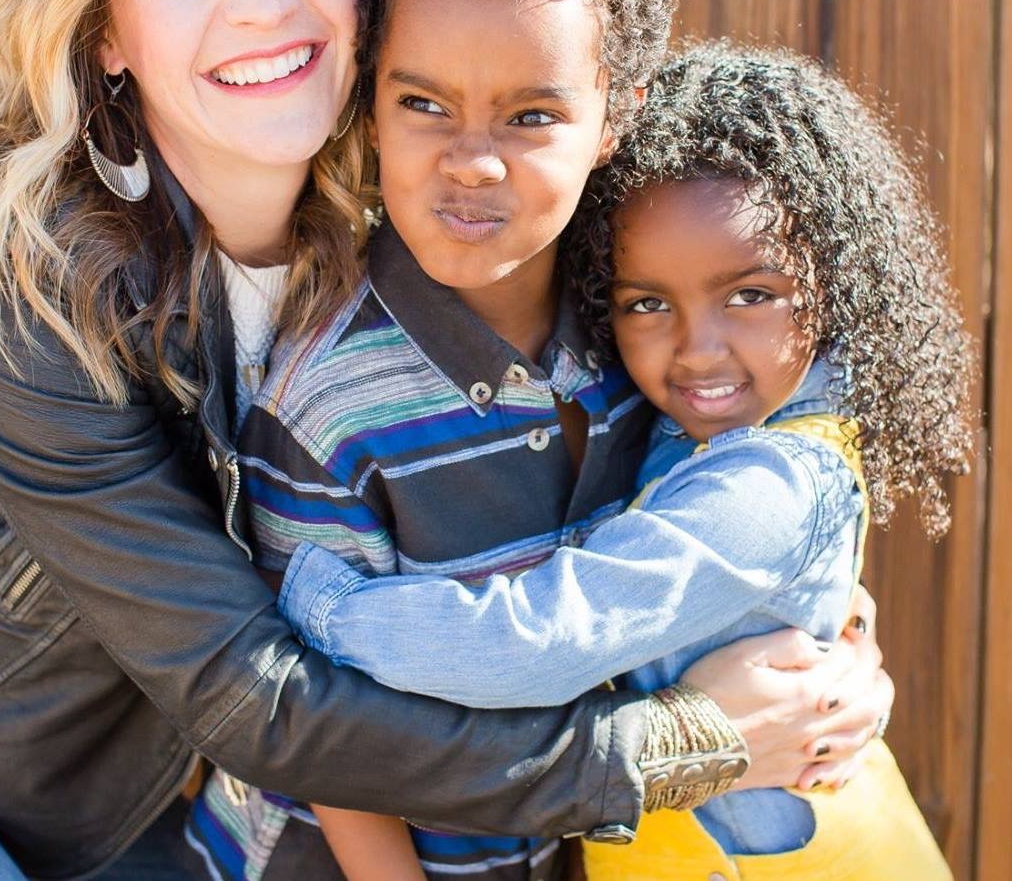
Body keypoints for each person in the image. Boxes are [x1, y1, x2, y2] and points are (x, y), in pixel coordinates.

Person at [0, 0, 890, 881]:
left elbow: (718, 394)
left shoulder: (437, 183)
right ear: (105, 29)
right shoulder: (27, 293)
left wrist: (813, 633)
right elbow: (255, 691)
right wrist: (677, 743)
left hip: (141, 782)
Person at [187, 0, 896, 881]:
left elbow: (735, 534)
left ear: (614, 117)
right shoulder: (326, 399)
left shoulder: (643, 329)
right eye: (424, 102)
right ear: (369, 104)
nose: (473, 161)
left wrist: (843, 640)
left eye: (530, 116)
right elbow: (323, 735)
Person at [278, 44, 975, 879]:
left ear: (835, 280)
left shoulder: (772, 484)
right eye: (648, 303)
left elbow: (548, 638)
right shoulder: (679, 407)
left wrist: (327, 612)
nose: (698, 348)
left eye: (751, 295)